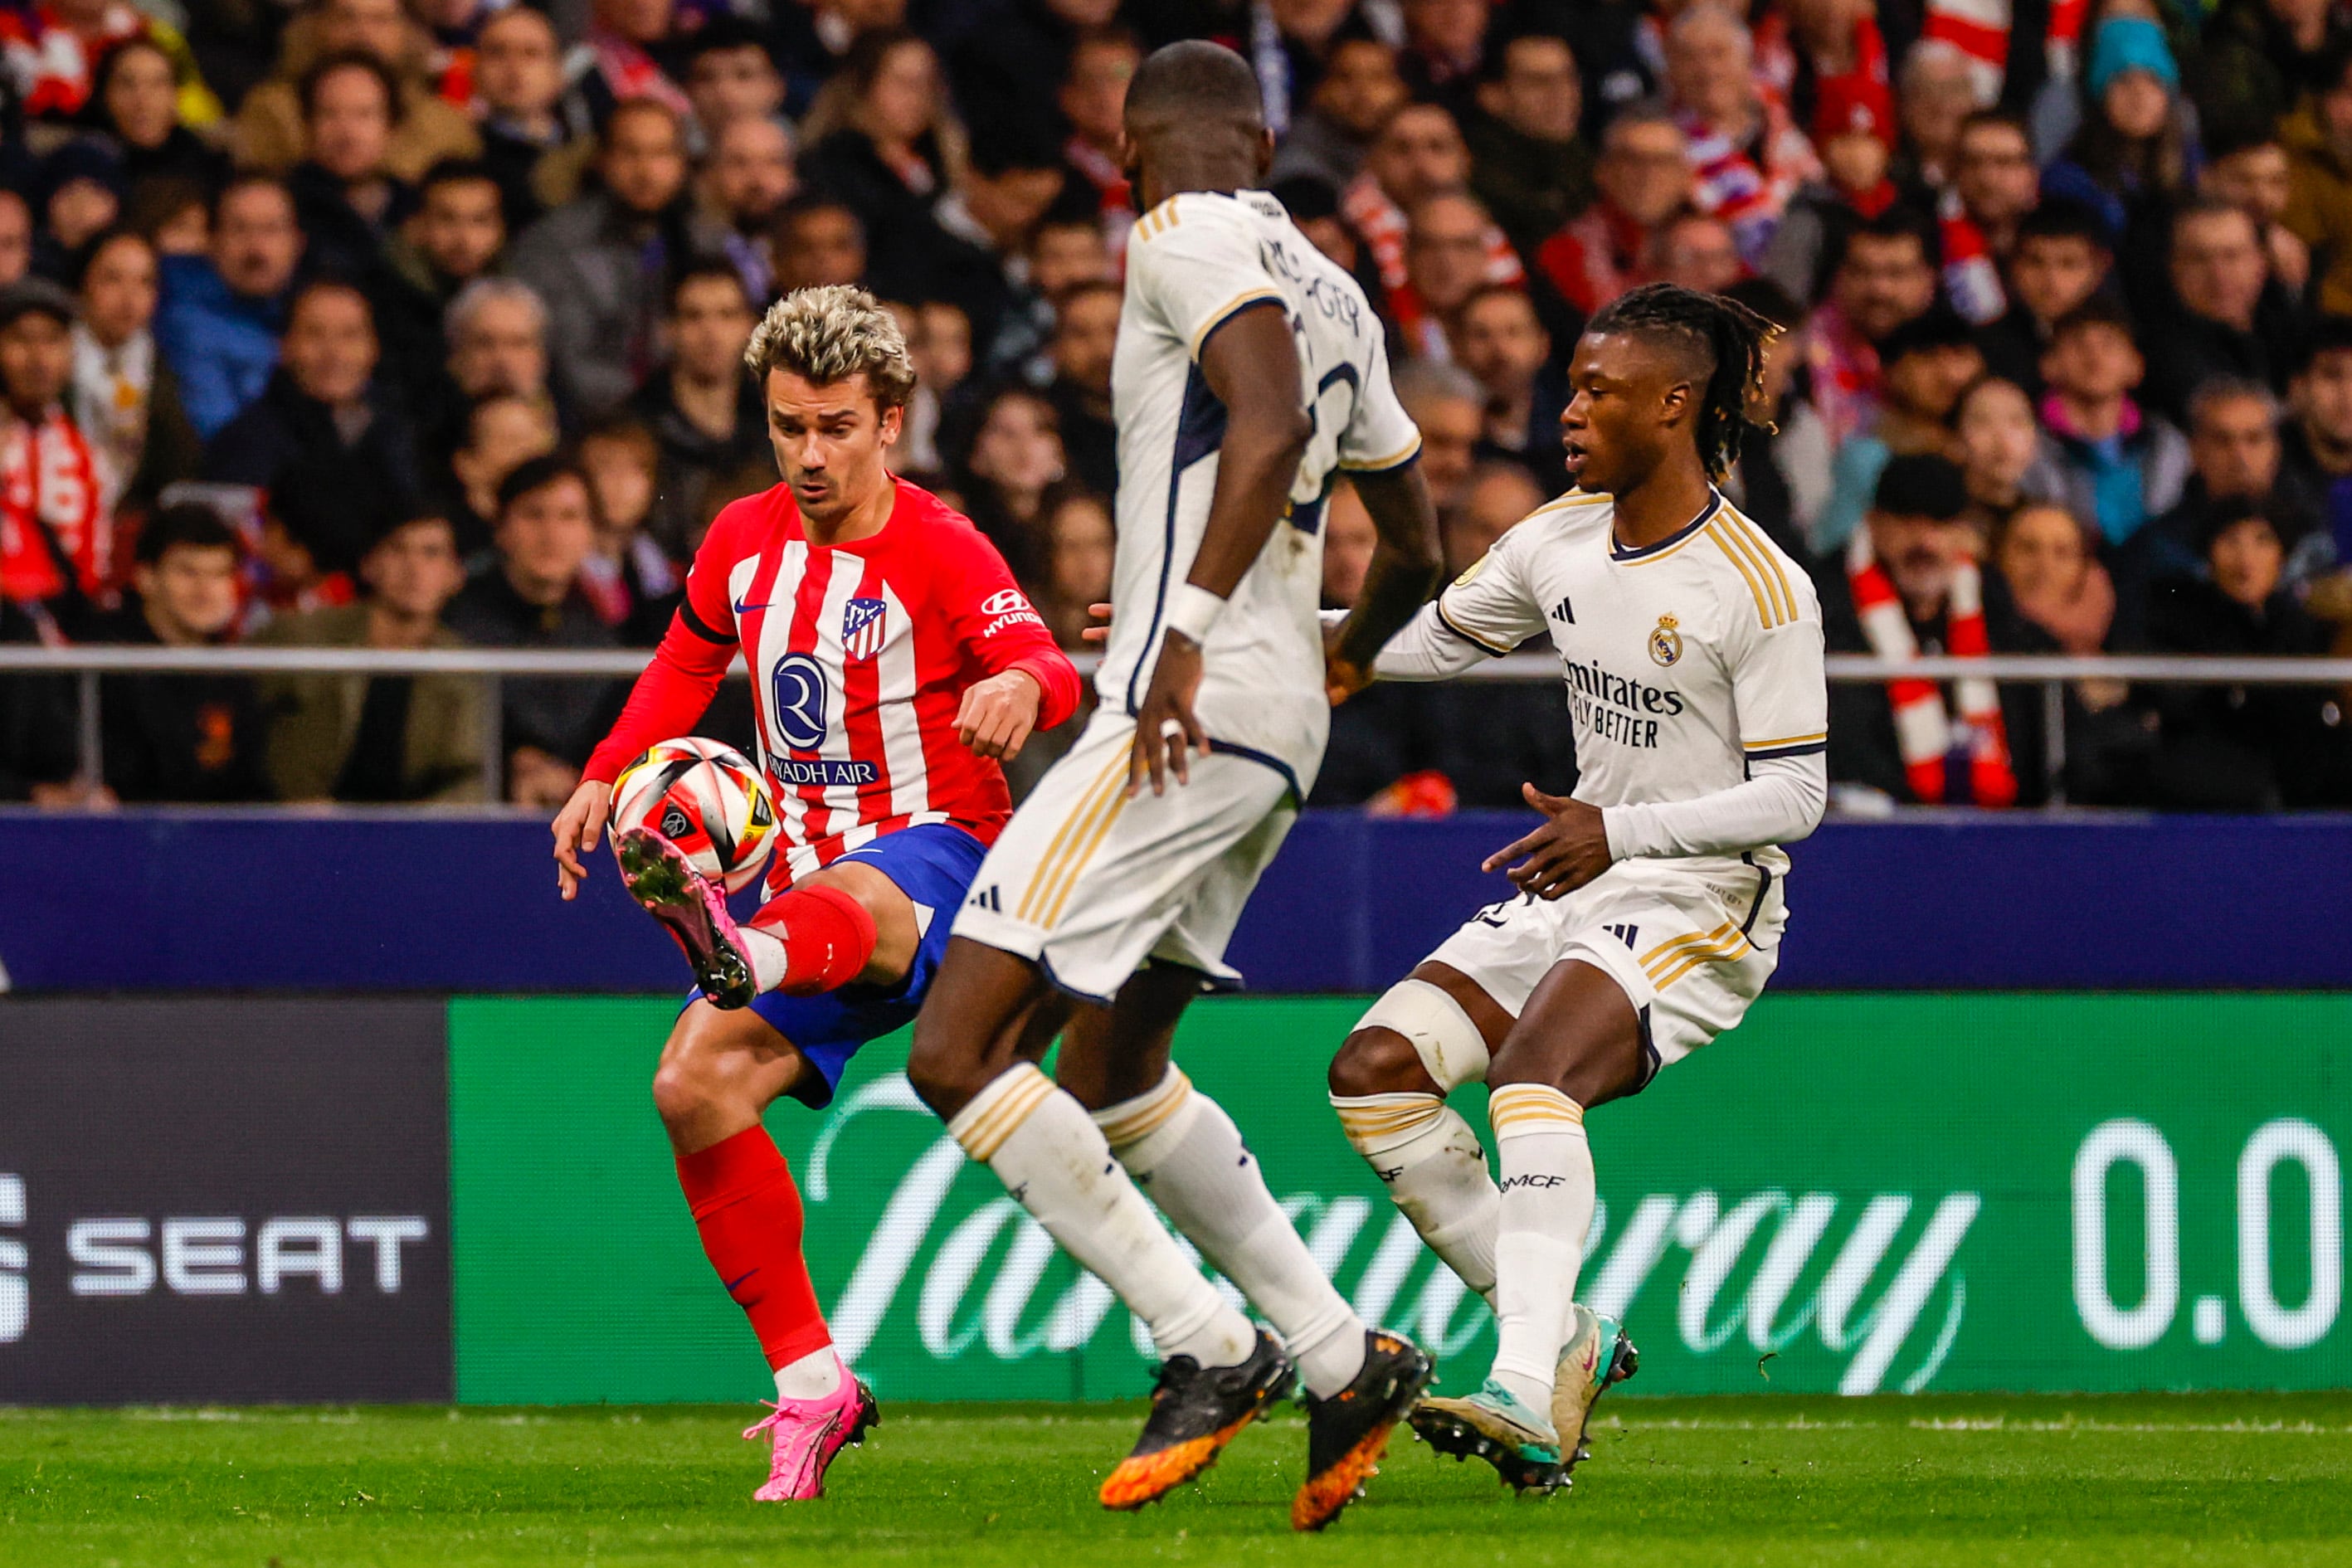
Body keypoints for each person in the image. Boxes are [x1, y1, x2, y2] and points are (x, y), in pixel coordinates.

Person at [900, 42, 1444, 1532]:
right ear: (1266, 139)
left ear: (1129, 152)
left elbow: (1260, 424)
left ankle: (1206, 1342)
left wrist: (1182, 641)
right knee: (1112, 1067)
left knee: (955, 1051)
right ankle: (1343, 1356)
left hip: (1176, 718)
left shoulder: (1176, 233)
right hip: (1271, 726)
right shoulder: (1338, 285)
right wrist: (1328, 660)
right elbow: (1419, 546)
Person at [543, 285, 1082, 1502]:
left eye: (836, 426)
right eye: (789, 425)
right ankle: (813, 1384)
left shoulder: (942, 546)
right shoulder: (741, 537)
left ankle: (739, 951)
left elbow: (1042, 660)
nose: (809, 454)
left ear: (891, 421)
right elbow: (686, 660)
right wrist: (599, 776)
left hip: (943, 862)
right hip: (801, 897)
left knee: (842, 890)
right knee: (691, 1084)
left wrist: (1019, 696)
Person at [1317, 281, 1824, 1493]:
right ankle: (1566, 1339)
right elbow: (1431, 637)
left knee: (1535, 1071)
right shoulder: (1556, 533)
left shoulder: (1760, 588)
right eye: (1571, 384)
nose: (1569, 407)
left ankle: (1520, 1387)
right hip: (1585, 874)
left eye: (1597, 389)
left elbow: (1797, 796)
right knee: (1372, 1075)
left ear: (1673, 403)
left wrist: (1623, 829)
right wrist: (1227, 635)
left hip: (1703, 902)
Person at [1823, 453, 2050, 806]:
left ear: (1964, 532)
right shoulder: (1826, 608)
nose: (1925, 542)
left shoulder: (1995, 606)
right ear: (1874, 524)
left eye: (1940, 524)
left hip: (1997, 828)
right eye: (1908, 522)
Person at [507, 98, 724, 420]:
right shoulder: (554, 245)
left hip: (694, 416)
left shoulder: (706, 242)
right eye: (630, 153)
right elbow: (565, 361)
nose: (646, 171)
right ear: (602, 159)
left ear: (682, 163)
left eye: (661, 154)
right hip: (590, 419)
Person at [256, 510, 485, 801]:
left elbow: (467, 775)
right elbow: (244, 729)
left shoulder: (464, 669)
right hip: (299, 828)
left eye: (431, 553)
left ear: (455, 575)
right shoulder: (301, 637)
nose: (413, 568)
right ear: (368, 564)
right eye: (397, 549)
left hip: (411, 838)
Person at [444, 455, 624, 804]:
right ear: (501, 529)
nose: (551, 534)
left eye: (569, 517)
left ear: (591, 533)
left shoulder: (605, 633)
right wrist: (513, 760)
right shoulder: (454, 626)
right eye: (533, 514)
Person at [88, 501, 270, 802]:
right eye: (188, 572)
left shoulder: (234, 674)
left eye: (220, 574)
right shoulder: (99, 659)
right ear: (146, 577)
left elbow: (249, 787)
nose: (205, 590)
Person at [2023, 298, 2189, 548]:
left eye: (2109, 344)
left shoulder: (2169, 445)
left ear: (2136, 366)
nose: (2094, 356)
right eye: (2078, 344)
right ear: (2049, 365)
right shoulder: (2025, 446)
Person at [629, 261, 766, 562]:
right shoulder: (636, 428)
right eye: (694, 316)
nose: (711, 332)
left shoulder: (777, 426)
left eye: (726, 316)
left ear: (750, 327)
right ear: (668, 329)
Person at [1, 276, 113, 635]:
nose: (38, 358)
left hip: (66, 634)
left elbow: (92, 571)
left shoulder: (84, 453)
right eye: (20, 339)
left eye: (52, 340)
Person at [154, 175, 304, 439]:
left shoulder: (308, 313)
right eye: (239, 229)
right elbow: (220, 437)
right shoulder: (185, 323)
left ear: (297, 243)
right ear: (212, 242)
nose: (256, 248)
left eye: (271, 229)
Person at [70, 227, 199, 519]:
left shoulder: (160, 369)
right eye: (113, 279)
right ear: (82, 283)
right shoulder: (53, 357)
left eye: (145, 282)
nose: (129, 298)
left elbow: (179, 465)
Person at [1535, 105, 1689, 317]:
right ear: (1603, 171)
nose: (1648, 175)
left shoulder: (1716, 245)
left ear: (1686, 175)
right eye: (1632, 160)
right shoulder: (1567, 252)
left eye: (1662, 162)